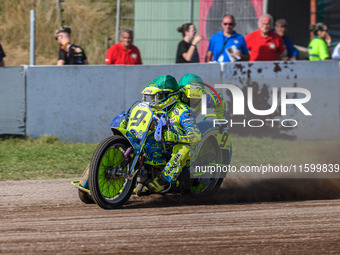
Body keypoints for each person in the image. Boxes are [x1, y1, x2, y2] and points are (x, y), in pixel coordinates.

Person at [139, 75, 201, 193]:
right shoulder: (153, 109)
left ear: (170, 96)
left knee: (183, 150)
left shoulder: (182, 111)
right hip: (162, 145)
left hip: (182, 148)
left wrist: (176, 137)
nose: (154, 101)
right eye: (151, 97)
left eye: (159, 97)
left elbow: (197, 136)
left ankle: (163, 181)